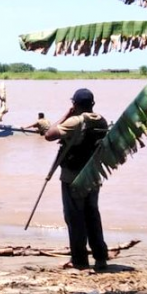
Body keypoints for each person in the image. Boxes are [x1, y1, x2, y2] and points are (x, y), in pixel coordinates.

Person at [44, 88, 109, 272]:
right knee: (92, 216)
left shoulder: (75, 121)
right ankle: (101, 258)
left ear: (75, 104)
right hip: (94, 176)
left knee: (75, 218)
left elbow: (49, 135)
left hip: (73, 177)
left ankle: (79, 261)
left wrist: (66, 114)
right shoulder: (101, 120)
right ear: (93, 104)